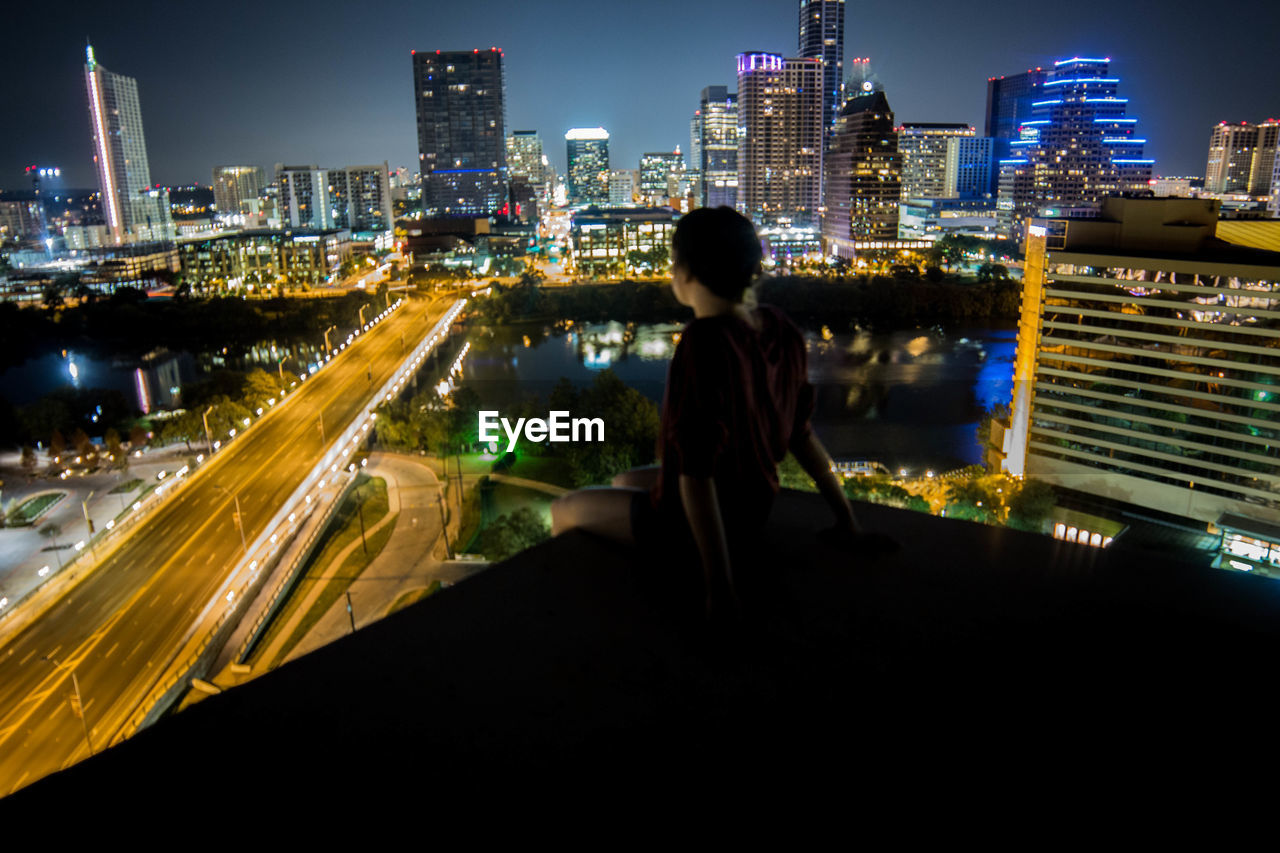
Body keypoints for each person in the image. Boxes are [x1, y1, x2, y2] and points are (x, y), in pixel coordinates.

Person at [551, 206, 869, 617]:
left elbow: (696, 474)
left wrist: (719, 588)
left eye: (672, 261)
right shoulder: (779, 327)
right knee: (624, 478)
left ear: (685, 271)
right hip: (755, 502)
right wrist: (847, 520)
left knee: (565, 509)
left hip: (700, 519)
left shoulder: (703, 342)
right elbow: (801, 434)